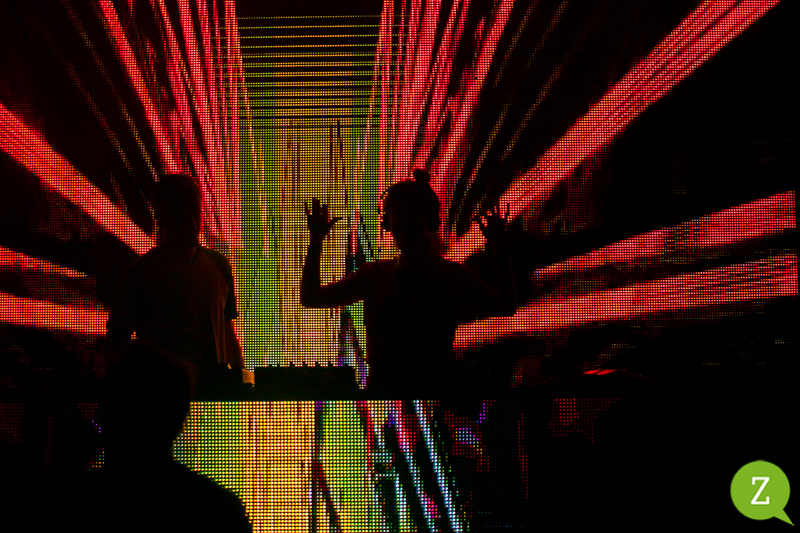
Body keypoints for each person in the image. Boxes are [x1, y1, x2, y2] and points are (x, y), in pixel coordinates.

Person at [301, 169, 516, 395]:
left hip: (390, 393)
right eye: (400, 226)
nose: (405, 235)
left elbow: (312, 298)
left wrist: (316, 241)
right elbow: (504, 305)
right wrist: (500, 252)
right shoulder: (449, 275)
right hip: (430, 392)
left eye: (410, 226)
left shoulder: (376, 275)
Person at [105, 174, 244, 396]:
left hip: (185, 398)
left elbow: (228, 333)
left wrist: (241, 381)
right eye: (183, 215)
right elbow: (116, 341)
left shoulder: (219, 266)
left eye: (196, 214)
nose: (192, 224)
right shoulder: (141, 273)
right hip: (169, 397)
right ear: (163, 217)